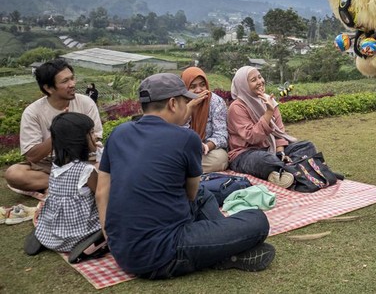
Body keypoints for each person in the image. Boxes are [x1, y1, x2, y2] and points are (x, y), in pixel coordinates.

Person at [96, 73, 274, 278]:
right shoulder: (185, 138)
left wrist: (108, 234)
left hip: (121, 249)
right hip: (163, 253)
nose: (189, 106)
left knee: (204, 193)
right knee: (258, 220)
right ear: (173, 103)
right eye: (185, 101)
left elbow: (102, 192)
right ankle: (221, 250)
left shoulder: (119, 133)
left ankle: (218, 245)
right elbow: (189, 194)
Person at [5, 59, 103, 193]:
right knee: (14, 174)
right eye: (65, 81)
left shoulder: (86, 103)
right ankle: (71, 184)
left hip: (83, 160)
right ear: (48, 88)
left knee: (105, 166)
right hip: (48, 164)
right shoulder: (33, 112)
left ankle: (57, 186)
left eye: (72, 78)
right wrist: (60, 132)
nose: (72, 84)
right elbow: (32, 157)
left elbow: (95, 141)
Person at [25, 112, 105, 260]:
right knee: (114, 219)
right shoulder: (85, 170)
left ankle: (44, 235)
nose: (96, 137)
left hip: (55, 226)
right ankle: (90, 245)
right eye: (92, 133)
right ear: (79, 139)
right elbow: (102, 194)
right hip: (79, 230)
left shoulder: (56, 165)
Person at [228, 66, 313, 189]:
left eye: (260, 77)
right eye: (253, 80)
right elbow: (253, 137)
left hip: (271, 148)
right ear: (243, 86)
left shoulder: (269, 100)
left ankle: (284, 172)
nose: (260, 81)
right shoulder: (236, 107)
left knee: (307, 146)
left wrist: (280, 153)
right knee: (265, 160)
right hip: (245, 153)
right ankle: (298, 170)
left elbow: (279, 132)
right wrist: (268, 113)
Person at [181, 67, 230, 173]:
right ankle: (186, 167)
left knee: (221, 159)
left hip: (207, 152)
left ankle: (182, 169)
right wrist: (190, 107)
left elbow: (221, 135)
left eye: (202, 85)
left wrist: (206, 146)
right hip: (184, 148)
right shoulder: (179, 103)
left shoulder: (216, 102)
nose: (199, 90)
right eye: (193, 87)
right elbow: (177, 131)